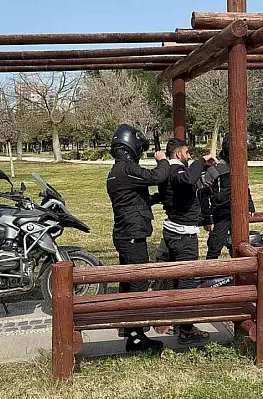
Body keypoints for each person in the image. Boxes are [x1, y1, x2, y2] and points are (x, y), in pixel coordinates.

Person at [106, 124, 170, 352]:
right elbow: (157, 175)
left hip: (125, 234)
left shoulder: (117, 171)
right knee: (138, 283)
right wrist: (162, 160)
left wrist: (153, 200)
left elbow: (131, 201)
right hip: (132, 235)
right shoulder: (126, 169)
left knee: (128, 282)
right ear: (131, 146)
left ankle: (128, 328)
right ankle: (136, 339)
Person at [151, 138, 216, 344]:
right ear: (178, 154)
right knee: (186, 282)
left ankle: (172, 321)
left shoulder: (165, 171)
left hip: (171, 230)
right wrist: (202, 161)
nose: (189, 157)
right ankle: (186, 329)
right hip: (183, 235)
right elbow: (187, 179)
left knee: (173, 278)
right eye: (188, 153)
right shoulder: (175, 171)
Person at [200, 133, 257, 260]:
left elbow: (244, 186)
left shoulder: (238, 166)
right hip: (220, 213)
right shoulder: (215, 166)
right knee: (215, 247)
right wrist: (207, 218)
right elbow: (203, 193)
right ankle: (208, 275)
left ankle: (239, 275)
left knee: (239, 245)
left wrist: (250, 204)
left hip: (237, 211)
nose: (245, 156)